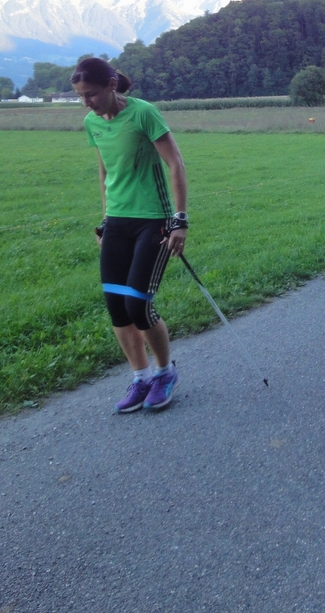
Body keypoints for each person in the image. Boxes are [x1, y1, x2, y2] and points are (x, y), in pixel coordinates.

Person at [73, 57, 189, 412]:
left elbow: (175, 164)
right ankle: (140, 378)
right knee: (117, 309)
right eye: (80, 96)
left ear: (111, 84)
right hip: (118, 223)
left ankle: (165, 372)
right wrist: (105, 221)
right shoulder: (92, 122)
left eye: (91, 94)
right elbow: (104, 172)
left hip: (152, 220)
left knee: (138, 304)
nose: (86, 102)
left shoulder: (143, 114)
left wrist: (179, 220)